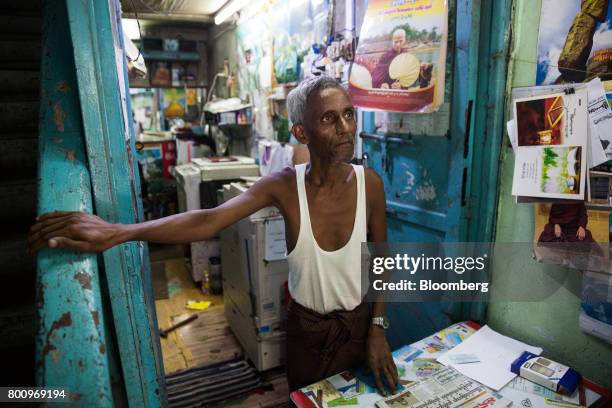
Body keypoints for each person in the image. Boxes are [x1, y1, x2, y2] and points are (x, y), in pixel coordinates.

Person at [29, 76, 399, 395]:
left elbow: (383, 260)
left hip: (358, 328)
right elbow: (209, 220)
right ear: (302, 131)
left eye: (349, 114)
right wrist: (121, 232)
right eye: (329, 118)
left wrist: (377, 329)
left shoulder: (371, 185)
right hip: (308, 334)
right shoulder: (286, 188)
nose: (346, 127)